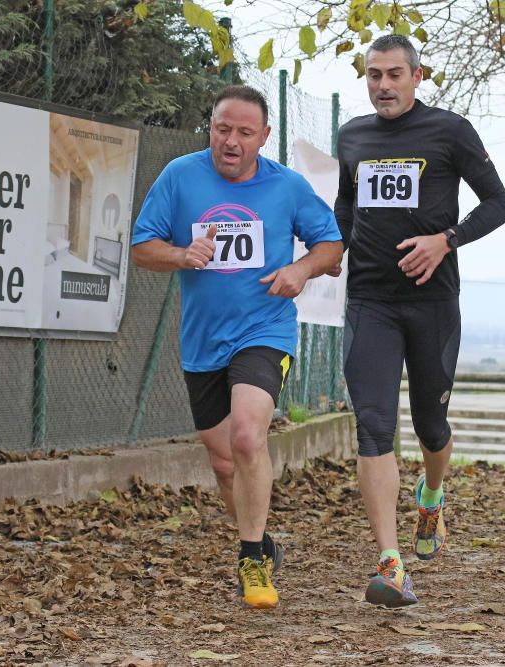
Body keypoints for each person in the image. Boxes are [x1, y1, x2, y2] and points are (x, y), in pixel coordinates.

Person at [131, 85, 343, 609]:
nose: (230, 141)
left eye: (244, 133)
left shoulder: (287, 187)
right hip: (204, 340)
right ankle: (262, 539)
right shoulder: (180, 176)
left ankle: (251, 557)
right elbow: (142, 248)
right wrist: (182, 254)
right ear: (210, 126)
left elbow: (332, 244)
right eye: (222, 128)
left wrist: (299, 269)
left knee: (249, 436)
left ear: (264, 137)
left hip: (264, 330)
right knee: (224, 462)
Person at [334, 34, 505, 607]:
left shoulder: (450, 131)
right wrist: (331, 249)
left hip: (432, 302)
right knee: (373, 425)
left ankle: (432, 496)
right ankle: (390, 563)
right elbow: (346, 205)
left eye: (393, 74)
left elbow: (498, 204)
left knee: (431, 425)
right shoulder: (353, 136)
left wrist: (446, 240)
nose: (382, 85)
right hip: (370, 300)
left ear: (416, 76)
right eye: (373, 75)